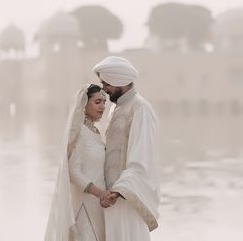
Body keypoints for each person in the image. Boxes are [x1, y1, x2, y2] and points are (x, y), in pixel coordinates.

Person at [93, 56, 160, 241]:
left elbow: (141, 157)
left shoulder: (140, 108)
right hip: (111, 197)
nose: (104, 89)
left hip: (127, 196)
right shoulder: (117, 108)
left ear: (119, 81)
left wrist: (120, 190)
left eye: (107, 83)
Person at [44, 84, 107, 241]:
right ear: (84, 104)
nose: (103, 107)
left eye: (104, 102)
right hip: (85, 208)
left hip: (99, 208)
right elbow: (73, 172)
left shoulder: (96, 133)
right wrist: (101, 194)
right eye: (97, 102)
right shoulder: (79, 132)